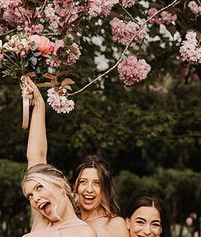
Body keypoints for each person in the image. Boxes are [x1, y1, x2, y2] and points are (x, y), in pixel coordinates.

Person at [22, 77, 127, 237]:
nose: (89, 189)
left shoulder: (111, 225)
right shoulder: (49, 212)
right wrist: (39, 104)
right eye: (83, 182)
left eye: (97, 183)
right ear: (72, 185)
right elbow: (36, 157)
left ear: (105, 189)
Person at [21, 164, 94, 237]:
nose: (35, 198)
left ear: (60, 185)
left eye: (39, 187)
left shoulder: (84, 233)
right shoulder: (39, 225)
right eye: (30, 196)